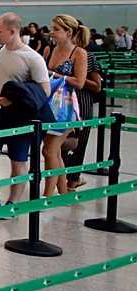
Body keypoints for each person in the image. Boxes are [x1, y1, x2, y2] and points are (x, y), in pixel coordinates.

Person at [0, 12, 51, 209]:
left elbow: (44, 90)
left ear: (13, 31)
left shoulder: (33, 58)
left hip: (20, 118)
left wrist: (14, 100)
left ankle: (13, 202)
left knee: (18, 161)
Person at [41, 14, 90, 196]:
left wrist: (54, 75)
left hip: (66, 107)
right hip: (48, 104)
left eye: (56, 29)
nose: (51, 32)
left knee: (49, 150)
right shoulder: (49, 50)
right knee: (53, 152)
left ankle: (47, 194)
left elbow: (79, 82)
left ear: (68, 32)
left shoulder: (79, 53)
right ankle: (63, 191)